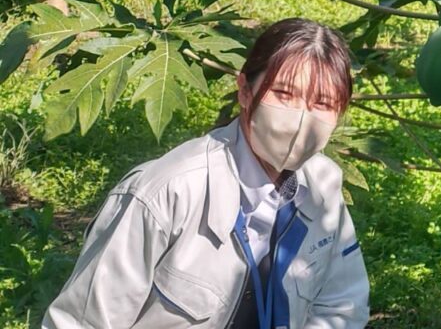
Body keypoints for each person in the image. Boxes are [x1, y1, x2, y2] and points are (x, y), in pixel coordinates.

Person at [43, 18, 370, 329]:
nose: (300, 119)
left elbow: (342, 304)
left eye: (322, 103)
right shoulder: (165, 193)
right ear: (245, 91)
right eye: (284, 94)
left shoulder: (323, 187)